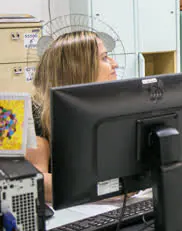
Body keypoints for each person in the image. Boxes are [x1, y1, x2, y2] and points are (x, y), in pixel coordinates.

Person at [25, 31, 119, 202]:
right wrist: (106, 189)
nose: (115, 64)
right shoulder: (35, 116)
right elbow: (36, 183)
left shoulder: (103, 110)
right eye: (104, 58)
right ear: (79, 67)